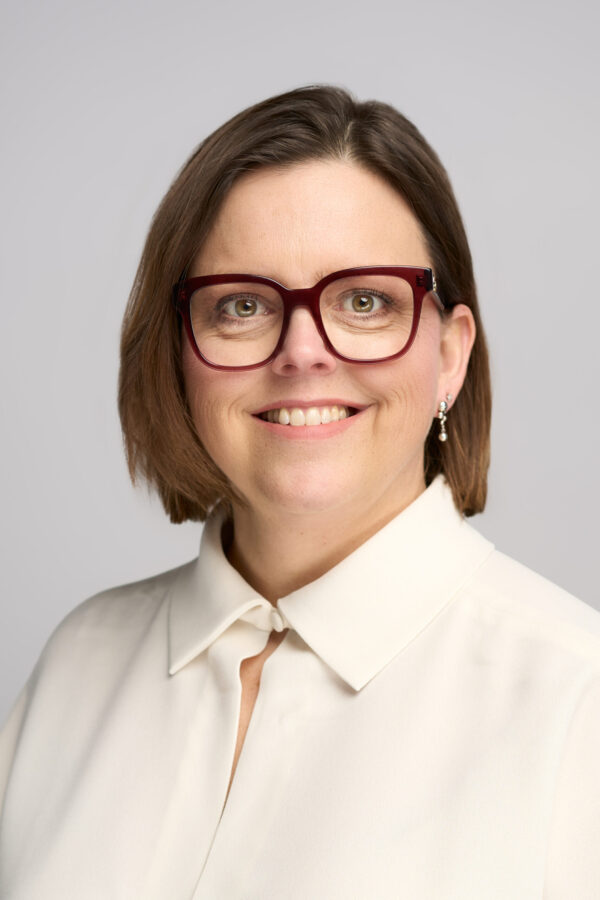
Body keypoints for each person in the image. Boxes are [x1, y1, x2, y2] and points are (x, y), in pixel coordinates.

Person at [0, 85, 598, 899]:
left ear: (450, 358)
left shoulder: (576, 699)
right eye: (243, 306)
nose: (302, 352)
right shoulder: (80, 662)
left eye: (365, 301)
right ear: (179, 353)